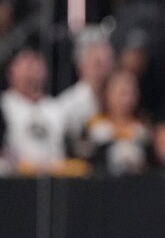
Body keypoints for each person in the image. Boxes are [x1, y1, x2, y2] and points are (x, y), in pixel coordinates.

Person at [0, 47, 87, 177]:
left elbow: (75, 146)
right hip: (14, 179)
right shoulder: (4, 105)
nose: (32, 67)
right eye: (26, 62)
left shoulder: (57, 107)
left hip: (56, 179)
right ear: (11, 70)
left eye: (36, 61)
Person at [100, 0, 165, 108]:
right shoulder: (118, 13)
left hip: (141, 106)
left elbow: (132, 64)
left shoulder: (145, 13)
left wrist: (101, 77)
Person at [82, 70, 151, 176]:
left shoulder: (142, 127)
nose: (128, 100)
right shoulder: (94, 125)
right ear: (107, 94)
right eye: (122, 93)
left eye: (132, 93)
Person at [56, 28, 115, 142]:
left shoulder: (118, 100)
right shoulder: (67, 105)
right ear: (81, 66)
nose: (103, 70)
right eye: (97, 64)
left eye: (107, 62)